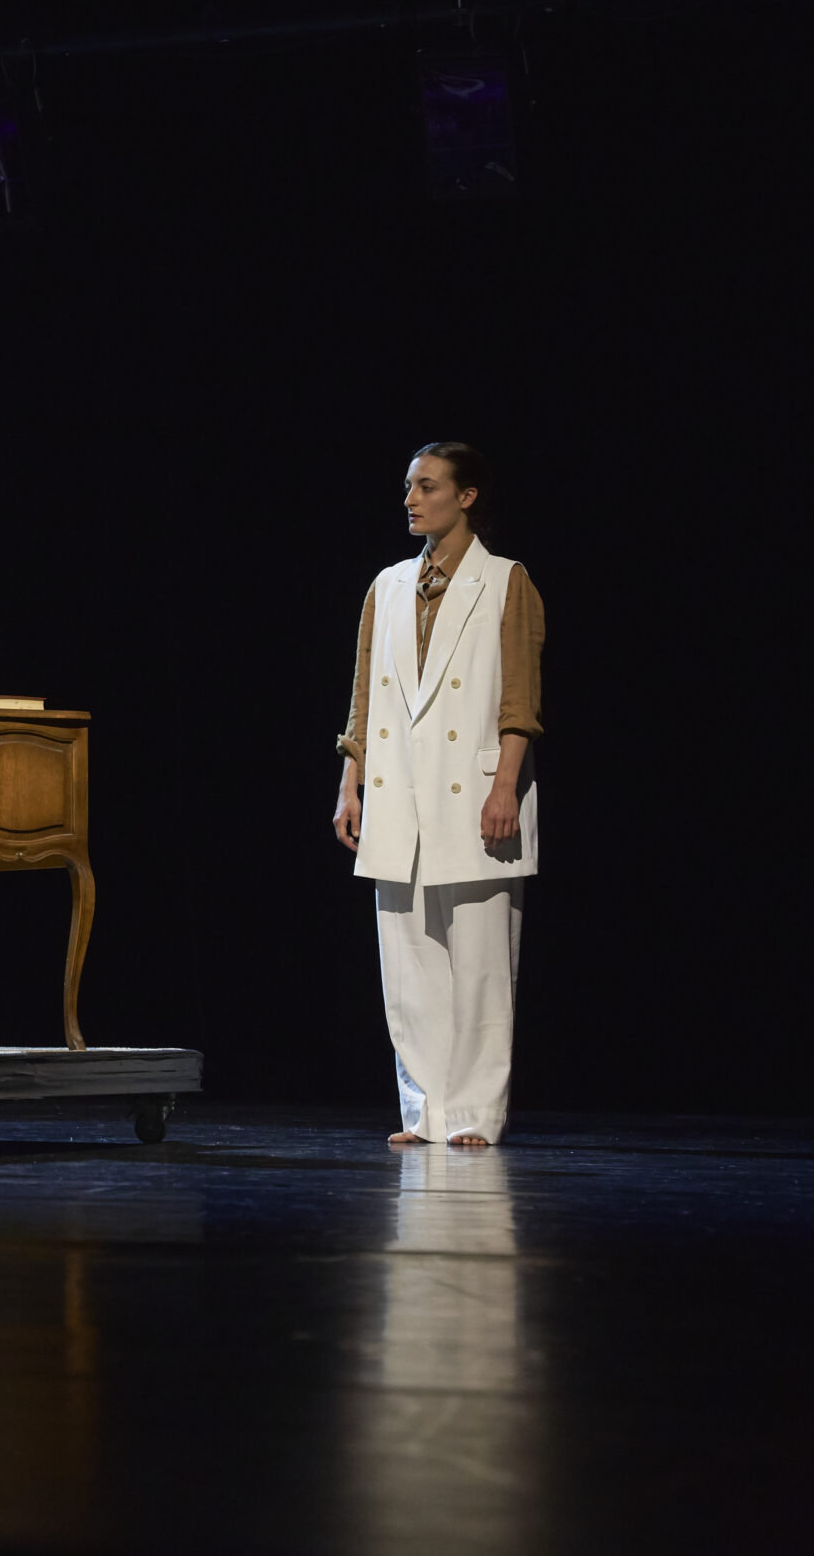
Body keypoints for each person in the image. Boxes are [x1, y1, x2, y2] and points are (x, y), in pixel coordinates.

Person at [331, 442, 543, 1147]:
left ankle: (477, 1111)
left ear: (467, 496)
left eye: (426, 487)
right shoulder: (387, 585)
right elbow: (366, 700)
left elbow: (519, 701)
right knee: (410, 967)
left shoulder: (505, 581)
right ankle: (425, 1109)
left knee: (481, 965)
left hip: (477, 793)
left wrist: (505, 785)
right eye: (407, 487)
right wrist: (350, 782)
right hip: (400, 794)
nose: (411, 499)